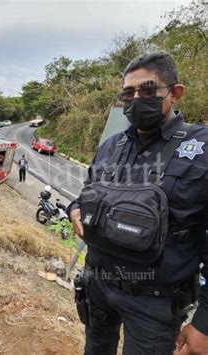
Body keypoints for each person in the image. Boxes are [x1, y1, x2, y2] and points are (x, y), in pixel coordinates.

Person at [68, 52, 208, 354]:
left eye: (147, 91)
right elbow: (86, 194)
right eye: (128, 93)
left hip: (155, 304)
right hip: (98, 286)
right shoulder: (110, 146)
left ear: (175, 93)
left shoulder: (201, 149)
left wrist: (205, 323)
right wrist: (74, 209)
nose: (136, 99)